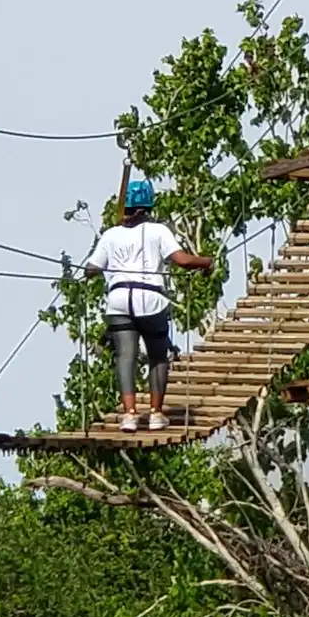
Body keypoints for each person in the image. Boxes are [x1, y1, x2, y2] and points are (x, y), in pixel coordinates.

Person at [85, 180, 213, 433]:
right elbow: (181, 261)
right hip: (150, 299)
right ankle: (155, 414)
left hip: (118, 299)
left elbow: (91, 269)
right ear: (148, 205)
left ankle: (129, 415)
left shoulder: (111, 235)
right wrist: (206, 262)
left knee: (125, 357)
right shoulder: (158, 231)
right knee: (157, 356)